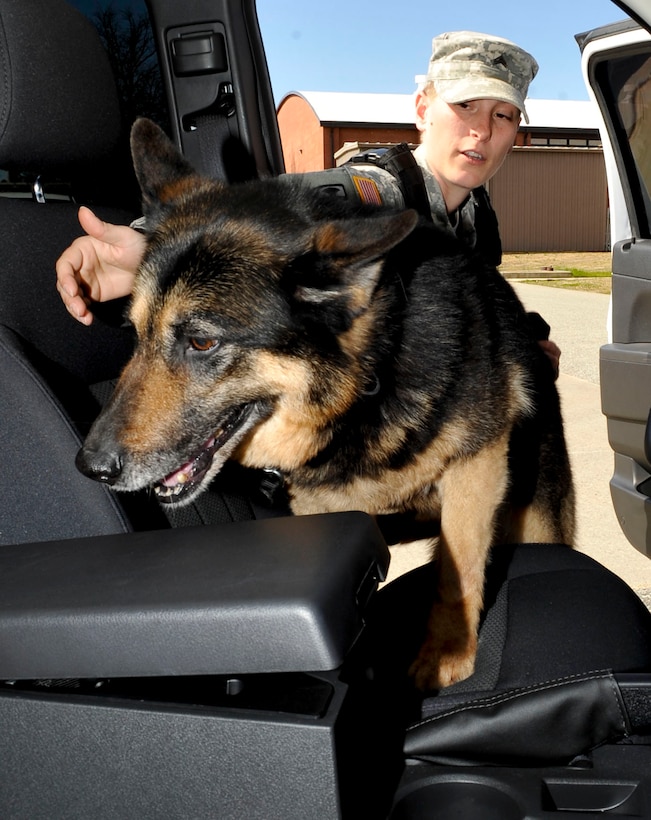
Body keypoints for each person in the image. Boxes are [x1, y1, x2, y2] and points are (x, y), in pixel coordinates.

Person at [56, 30, 560, 371]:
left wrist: (519, 342)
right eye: (465, 105)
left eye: (503, 116)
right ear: (423, 110)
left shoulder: (477, 215)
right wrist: (153, 249)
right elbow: (263, 207)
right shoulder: (376, 191)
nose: (480, 131)